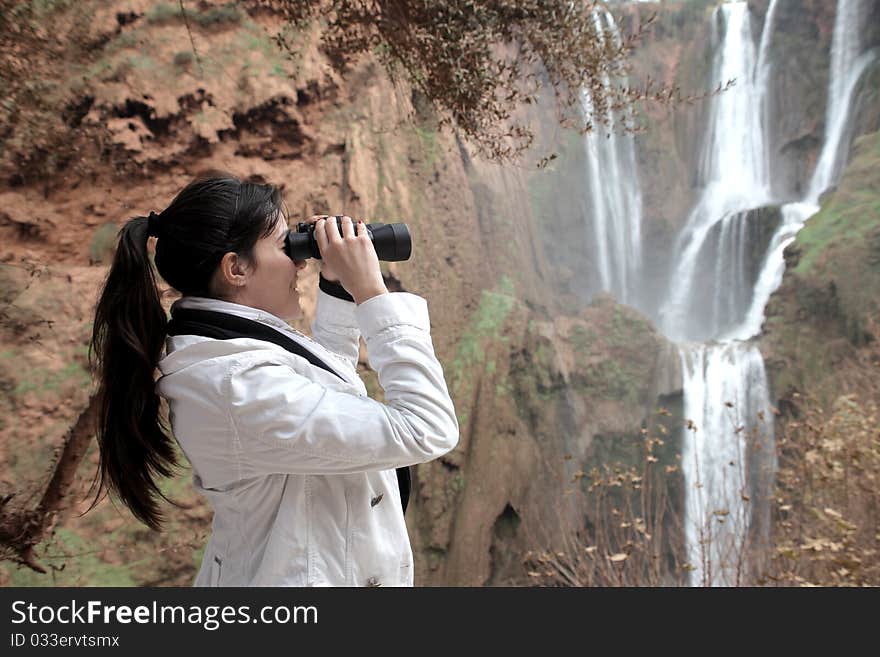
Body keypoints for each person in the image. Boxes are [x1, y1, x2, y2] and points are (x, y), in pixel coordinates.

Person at [89, 172, 459, 586]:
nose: (300, 260)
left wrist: (337, 287)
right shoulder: (237, 385)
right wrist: (372, 292)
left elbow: (325, 397)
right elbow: (427, 428)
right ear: (236, 268)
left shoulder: (222, 342)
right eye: (286, 246)